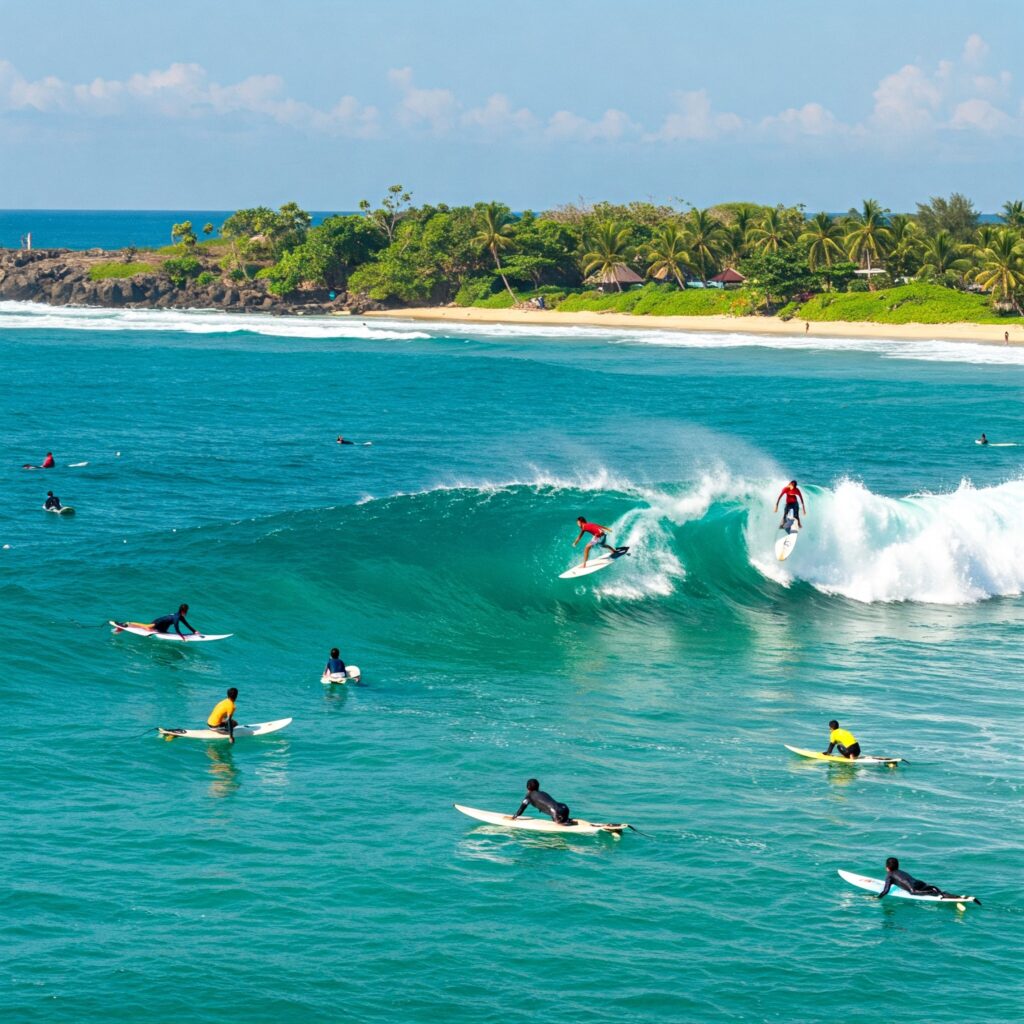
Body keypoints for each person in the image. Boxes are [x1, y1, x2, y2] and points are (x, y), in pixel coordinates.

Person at [875, 857, 977, 902]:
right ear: (898, 866)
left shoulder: (889, 875)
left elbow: (886, 890)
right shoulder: (901, 872)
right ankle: (958, 896)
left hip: (914, 889)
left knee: (914, 892)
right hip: (919, 883)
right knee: (932, 888)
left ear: (887, 867)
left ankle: (937, 893)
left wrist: (877, 898)